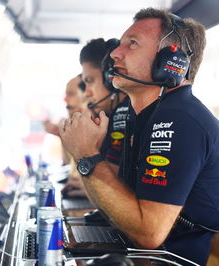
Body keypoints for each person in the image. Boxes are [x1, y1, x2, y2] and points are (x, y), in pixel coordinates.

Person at [59, 8, 219, 265]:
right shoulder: (145, 116)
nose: (114, 54)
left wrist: (86, 154)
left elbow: (149, 234)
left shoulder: (178, 119)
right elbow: (124, 205)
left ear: (170, 60)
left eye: (132, 44)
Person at [61, 38, 127, 198]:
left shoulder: (123, 115)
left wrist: (93, 190)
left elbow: (113, 188)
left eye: (90, 81)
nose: (87, 93)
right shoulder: (112, 117)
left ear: (110, 78)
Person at [43, 74, 87, 165]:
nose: (65, 99)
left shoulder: (93, 127)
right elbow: (69, 166)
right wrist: (61, 136)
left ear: (86, 95)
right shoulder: (68, 124)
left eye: (71, 94)